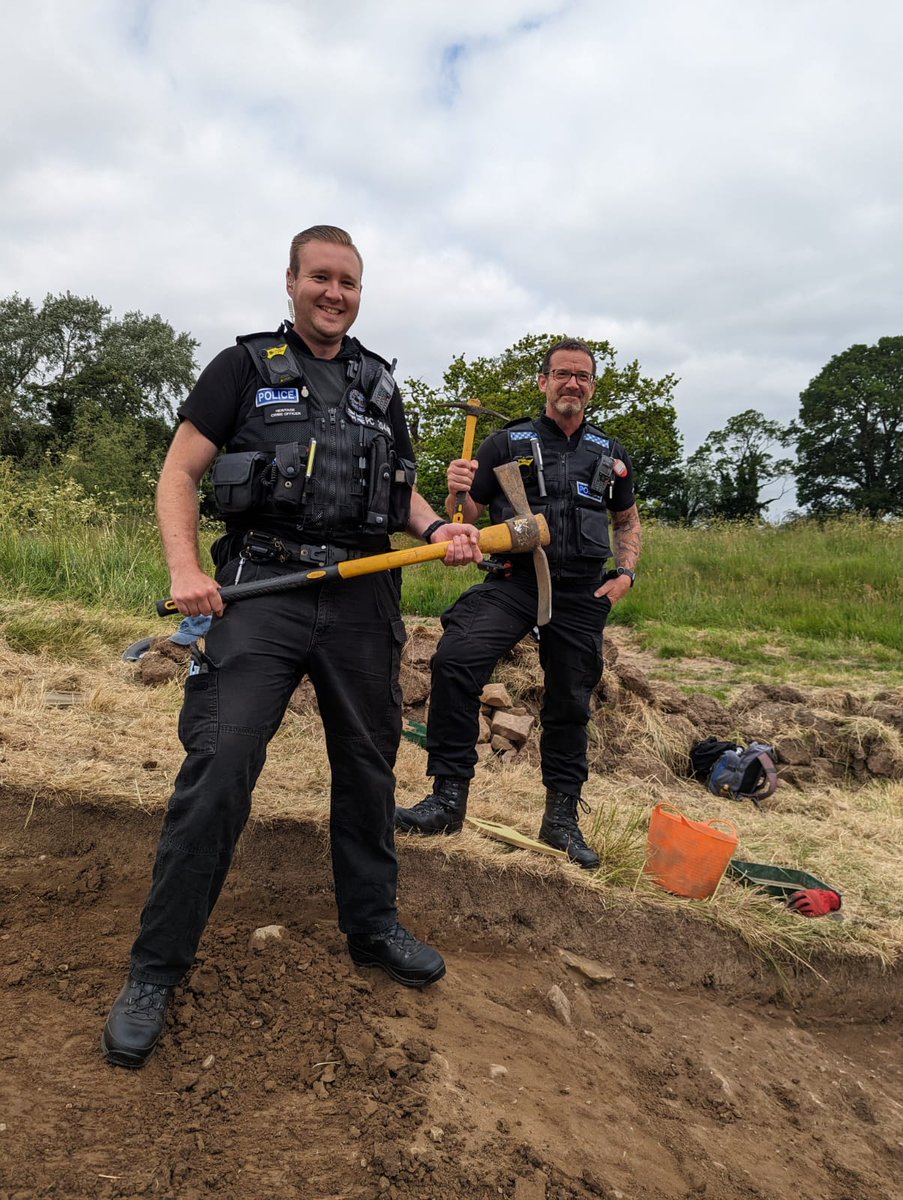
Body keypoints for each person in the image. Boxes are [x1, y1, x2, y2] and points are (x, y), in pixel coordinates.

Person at [102, 225, 481, 1069]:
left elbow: (401, 490)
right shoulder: (239, 368)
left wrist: (439, 529)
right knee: (222, 765)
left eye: (348, 281)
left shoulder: (380, 385)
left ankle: (372, 926)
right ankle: (156, 969)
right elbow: (180, 471)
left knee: (369, 766)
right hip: (260, 590)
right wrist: (186, 568)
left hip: (360, 595)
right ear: (291, 281)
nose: (334, 293)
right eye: (320, 277)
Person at [395, 337, 642, 868]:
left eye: (582, 375)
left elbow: (627, 519)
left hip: (581, 591)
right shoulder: (506, 442)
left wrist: (625, 574)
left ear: (592, 387)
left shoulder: (611, 453)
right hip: (515, 580)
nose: (571, 383)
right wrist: (455, 489)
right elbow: (464, 516)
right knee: (456, 660)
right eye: (561, 374)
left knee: (570, 703)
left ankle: (560, 822)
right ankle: (447, 800)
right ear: (544, 383)